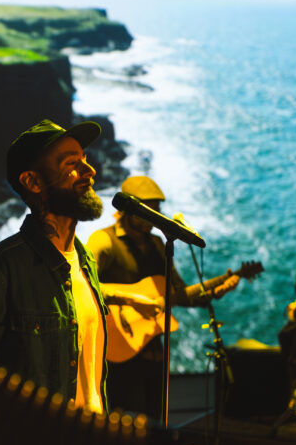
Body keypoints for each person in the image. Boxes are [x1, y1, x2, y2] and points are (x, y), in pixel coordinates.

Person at [0, 120, 161, 413]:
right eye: (71, 164)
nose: (90, 171)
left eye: (85, 159)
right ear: (33, 182)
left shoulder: (85, 260)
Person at [86, 176, 240, 419]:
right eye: (145, 213)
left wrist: (214, 291)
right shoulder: (103, 241)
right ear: (127, 211)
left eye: (155, 212)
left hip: (153, 350)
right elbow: (85, 286)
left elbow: (180, 295)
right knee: (121, 418)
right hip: (116, 349)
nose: (151, 219)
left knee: (155, 417)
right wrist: (131, 301)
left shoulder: (159, 244)